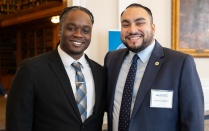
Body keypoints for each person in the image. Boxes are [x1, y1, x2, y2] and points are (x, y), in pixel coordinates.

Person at [104, 3, 204, 131]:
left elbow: (193, 120)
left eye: (139, 23)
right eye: (125, 24)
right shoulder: (111, 59)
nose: (132, 30)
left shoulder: (180, 63)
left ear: (153, 28)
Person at [6, 6, 106, 131]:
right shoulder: (31, 69)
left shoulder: (100, 73)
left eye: (85, 30)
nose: (78, 35)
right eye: (71, 28)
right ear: (60, 30)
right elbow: (17, 124)